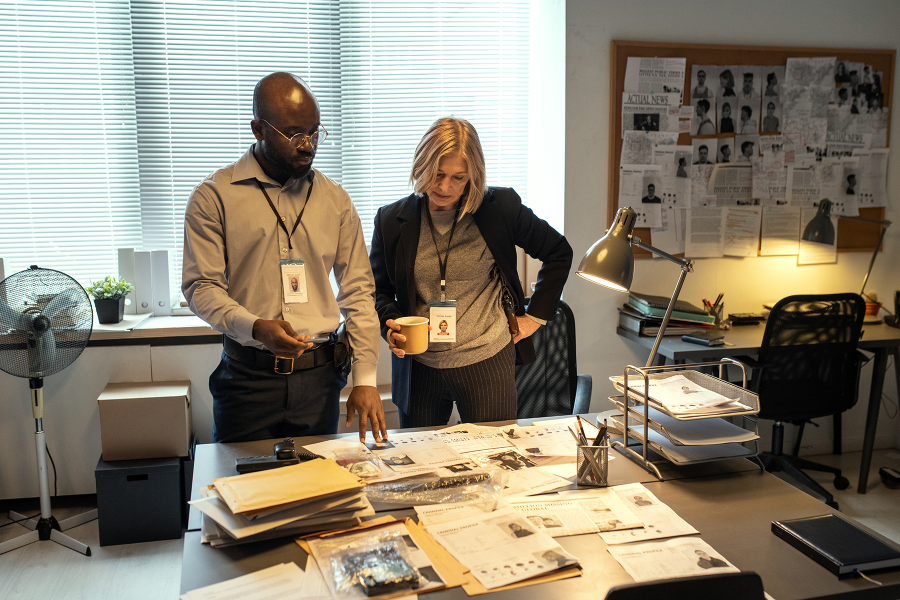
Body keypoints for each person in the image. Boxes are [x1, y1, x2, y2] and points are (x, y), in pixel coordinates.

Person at [182, 72, 386, 444]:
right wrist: (256, 326)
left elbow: (358, 292)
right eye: (294, 134)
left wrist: (366, 380)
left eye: (314, 132)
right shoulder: (213, 197)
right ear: (259, 129)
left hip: (320, 380)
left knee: (317, 492)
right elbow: (202, 288)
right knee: (245, 493)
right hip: (247, 381)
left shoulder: (336, 201)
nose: (307, 145)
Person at [369, 117, 572, 428]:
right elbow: (378, 291)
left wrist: (535, 318)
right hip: (420, 365)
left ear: (474, 176)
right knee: (422, 464)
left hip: (486, 359)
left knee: (495, 460)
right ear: (421, 165)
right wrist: (390, 325)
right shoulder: (390, 220)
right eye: (437, 174)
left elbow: (558, 252)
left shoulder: (499, 208)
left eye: (458, 177)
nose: (444, 187)